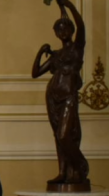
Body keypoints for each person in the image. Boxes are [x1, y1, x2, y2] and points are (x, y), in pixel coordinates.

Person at [31, 0, 88, 186]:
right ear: (56, 33)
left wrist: (70, 6)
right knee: (57, 135)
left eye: (65, 28)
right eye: (59, 30)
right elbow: (36, 73)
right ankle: (62, 172)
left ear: (71, 31)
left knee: (65, 135)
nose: (62, 32)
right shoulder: (56, 55)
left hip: (68, 96)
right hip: (53, 97)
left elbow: (81, 26)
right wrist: (41, 52)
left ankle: (80, 165)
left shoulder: (77, 49)